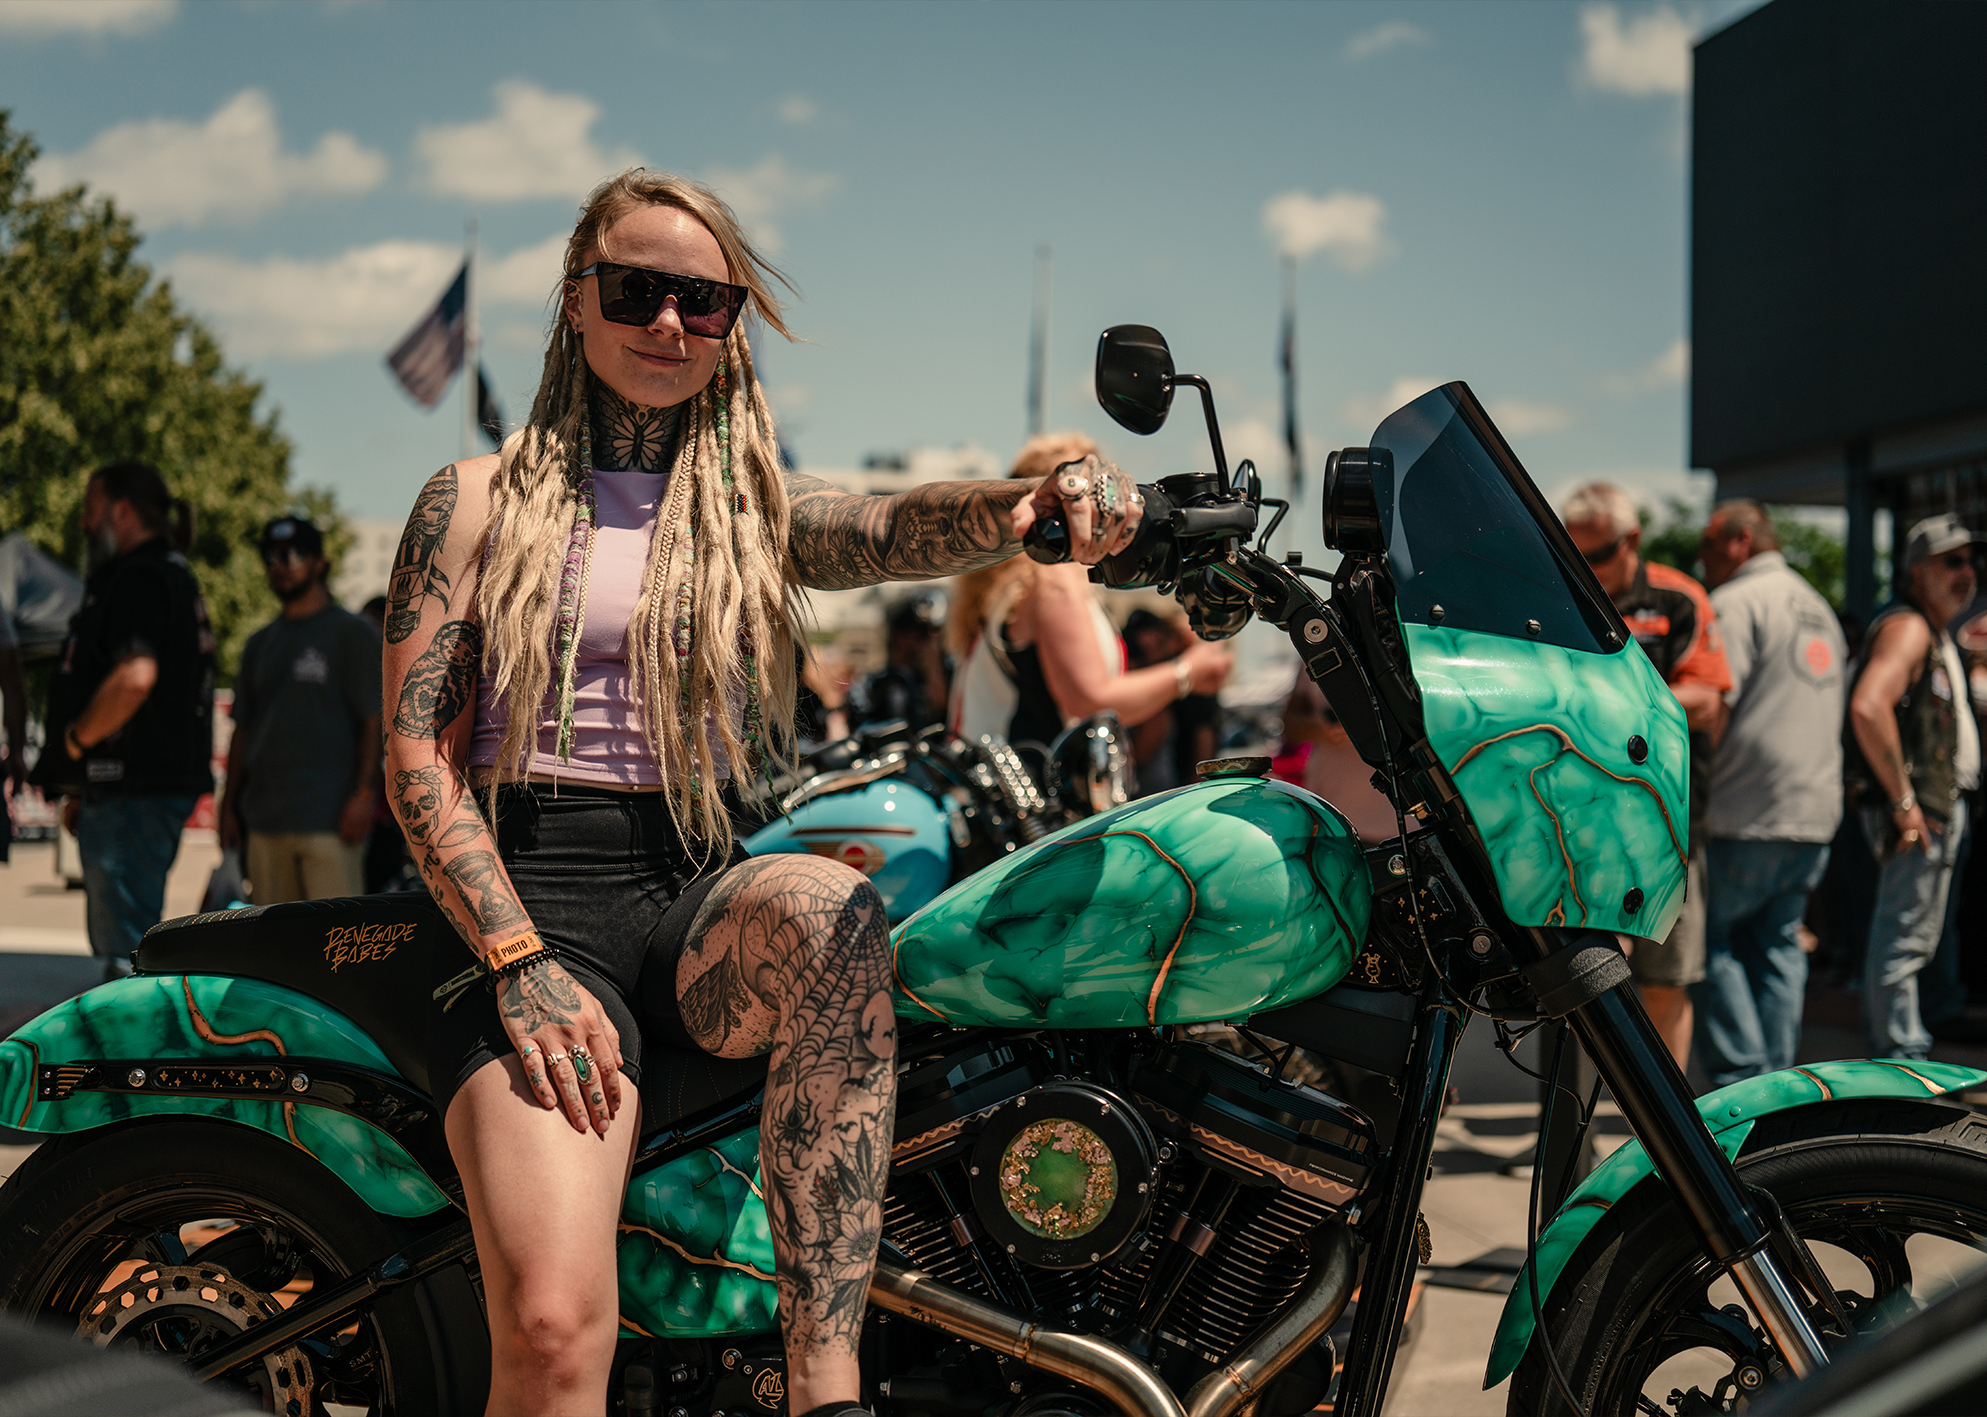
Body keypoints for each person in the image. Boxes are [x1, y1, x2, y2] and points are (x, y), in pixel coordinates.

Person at [381, 168, 1148, 1417]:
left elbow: (883, 527)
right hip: (529, 901)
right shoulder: (471, 501)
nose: (668, 322)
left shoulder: (741, 510)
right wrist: (518, 959)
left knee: (837, 917)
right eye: (636, 290)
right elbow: (418, 756)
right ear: (576, 299)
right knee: (556, 1332)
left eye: (704, 301)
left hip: (689, 885)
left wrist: (1028, 505)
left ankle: (823, 1390)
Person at [1561, 482, 1732, 1072]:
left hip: (1668, 825)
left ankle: (1668, 1117)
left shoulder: (1678, 598)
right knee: (1579, 984)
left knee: (1665, 981)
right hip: (1580, 825)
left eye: (1598, 555)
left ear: (1632, 540)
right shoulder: (1557, 596)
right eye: (1573, 553)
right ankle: (1575, 1123)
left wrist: (1612, 714)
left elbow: (1707, 699)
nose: (1585, 568)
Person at [30, 461, 215, 980]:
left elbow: (134, 677)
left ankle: (136, 1036)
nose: (84, 524)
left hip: (131, 792)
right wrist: (80, 784)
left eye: (91, 511)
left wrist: (74, 745)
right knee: (128, 947)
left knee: (124, 958)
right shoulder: (168, 573)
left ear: (123, 511)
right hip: (131, 789)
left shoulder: (140, 576)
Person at [1691, 501, 1848, 1084]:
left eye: (1708, 546)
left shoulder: (1736, 602)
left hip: (1744, 809)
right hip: (1812, 812)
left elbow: (1713, 706)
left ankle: (1742, 1081)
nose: (1702, 560)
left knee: (1708, 942)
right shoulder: (1818, 606)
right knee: (1778, 945)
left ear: (1739, 542)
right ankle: (1779, 1088)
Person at [947, 432, 1231, 754]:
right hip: (1027, 777)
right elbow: (1090, 701)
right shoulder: (1052, 579)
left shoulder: (1014, 583)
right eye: (1101, 490)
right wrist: (1189, 671)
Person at [1845, 512, 1982, 1060]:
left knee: (1916, 938)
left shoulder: (1932, 630)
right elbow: (1868, 705)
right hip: (1919, 811)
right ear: (1917, 571)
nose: (1967, 572)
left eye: (1971, 561)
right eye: (1952, 561)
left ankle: (1899, 1051)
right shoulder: (1909, 627)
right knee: (1903, 941)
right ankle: (1900, 1058)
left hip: (1934, 805)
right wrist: (1904, 803)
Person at [218, 517, 382, 904]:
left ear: (320, 563)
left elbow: (373, 722)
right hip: (264, 822)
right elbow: (242, 731)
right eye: (271, 556)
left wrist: (364, 795)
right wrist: (228, 807)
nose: (281, 565)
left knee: (337, 937)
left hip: (331, 822)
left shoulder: (352, 633)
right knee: (272, 941)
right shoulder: (259, 643)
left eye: (294, 554)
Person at [850, 593, 949, 733]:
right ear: (898, 637)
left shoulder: (942, 675)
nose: (928, 644)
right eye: (920, 635)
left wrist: (933, 669)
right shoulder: (875, 684)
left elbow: (943, 710)